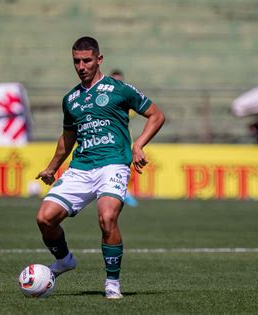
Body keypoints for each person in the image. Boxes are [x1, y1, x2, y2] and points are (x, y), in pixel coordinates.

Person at [35, 36, 165, 299]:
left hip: (113, 164)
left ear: (99, 59)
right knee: (44, 218)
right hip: (81, 167)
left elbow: (156, 115)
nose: (81, 66)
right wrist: (51, 168)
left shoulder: (119, 89)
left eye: (87, 60)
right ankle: (64, 260)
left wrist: (139, 144)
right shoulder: (70, 99)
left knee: (107, 217)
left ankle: (112, 283)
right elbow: (67, 140)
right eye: (76, 61)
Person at [110, 69, 138, 208]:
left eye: (119, 81)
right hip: (108, 140)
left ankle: (123, 191)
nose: (117, 84)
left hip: (124, 138)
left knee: (125, 166)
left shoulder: (126, 96)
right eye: (114, 81)